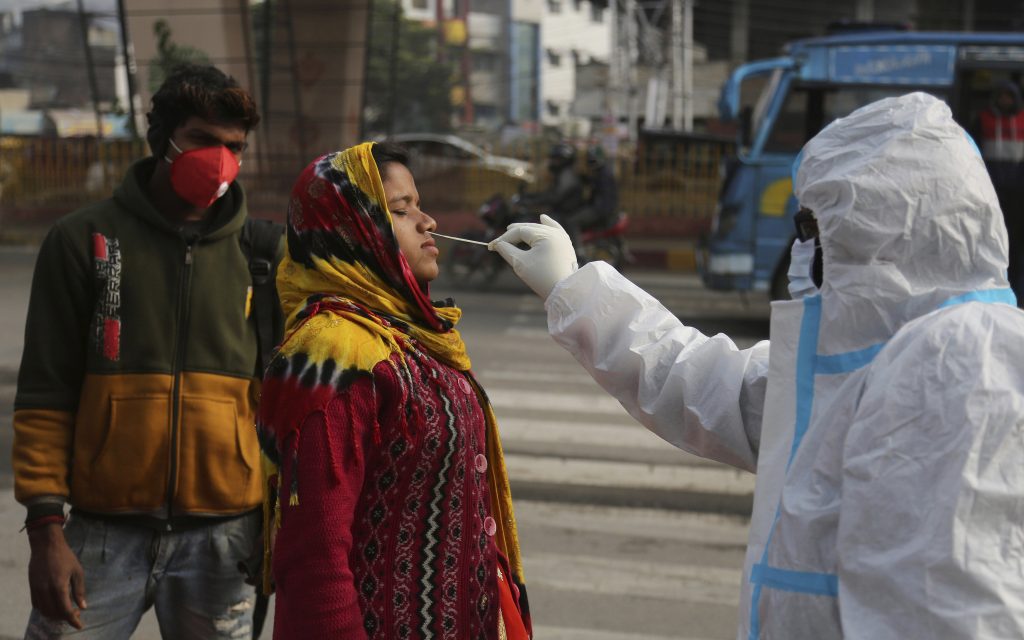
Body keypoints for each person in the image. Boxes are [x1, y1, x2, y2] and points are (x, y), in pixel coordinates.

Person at [490, 92, 1024, 638]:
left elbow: (958, 610)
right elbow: (705, 384)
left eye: (818, 225)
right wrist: (574, 289)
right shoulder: (859, 361)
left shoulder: (966, 357)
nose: (805, 247)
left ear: (884, 227)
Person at [13, 64, 280, 639]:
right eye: (203, 141)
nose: (220, 160)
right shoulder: (83, 241)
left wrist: (277, 526)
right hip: (100, 536)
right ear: (162, 138)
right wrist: (44, 531)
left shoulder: (263, 255)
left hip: (226, 539)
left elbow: (285, 405)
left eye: (234, 146)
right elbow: (44, 394)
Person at [256, 142, 531, 639]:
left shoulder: (411, 335)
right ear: (352, 232)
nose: (426, 222)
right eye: (401, 210)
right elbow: (314, 553)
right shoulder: (335, 351)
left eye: (418, 205)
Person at [975, 80, 1024, 305]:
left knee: (1015, 243)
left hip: (1018, 192)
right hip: (991, 190)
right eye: (1002, 96)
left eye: (1009, 96)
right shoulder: (983, 119)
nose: (1005, 100)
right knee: (991, 237)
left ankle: (1015, 289)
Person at [519, 141, 585, 224]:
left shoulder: (567, 176)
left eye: (556, 159)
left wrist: (531, 202)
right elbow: (550, 193)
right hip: (559, 211)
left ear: (564, 160)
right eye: (553, 159)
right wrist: (530, 196)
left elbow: (554, 197)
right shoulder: (562, 174)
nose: (553, 162)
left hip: (565, 214)